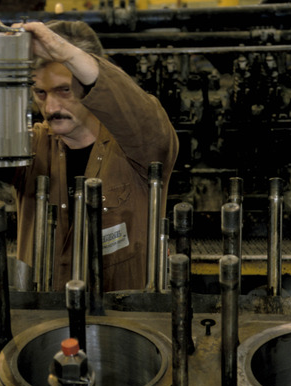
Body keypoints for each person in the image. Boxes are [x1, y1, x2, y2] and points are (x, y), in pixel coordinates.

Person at [13, 21, 179, 291]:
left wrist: (67, 53)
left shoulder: (136, 148)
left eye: (64, 90)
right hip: (42, 320)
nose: (50, 107)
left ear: (90, 86)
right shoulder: (32, 147)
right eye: (40, 93)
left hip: (125, 319)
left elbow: (145, 120)